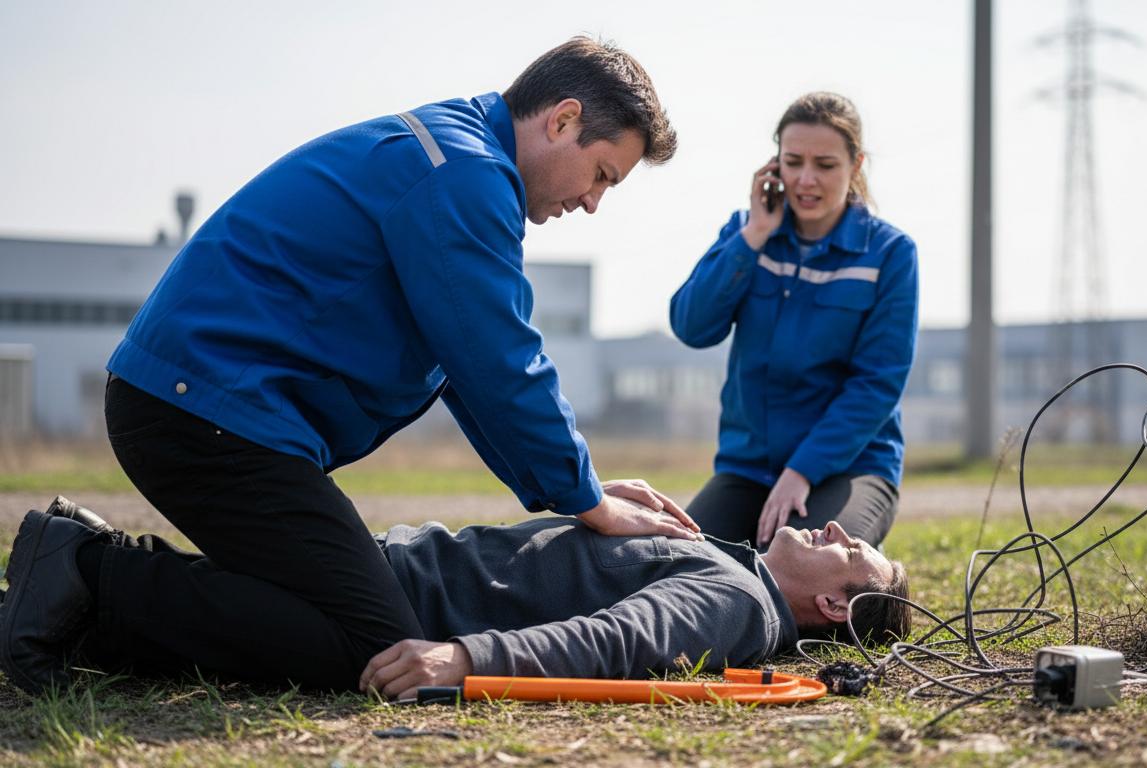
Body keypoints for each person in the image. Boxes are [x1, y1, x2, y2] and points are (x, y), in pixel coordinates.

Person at [82, 36, 700, 695]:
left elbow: (470, 367)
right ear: (564, 120)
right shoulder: (463, 174)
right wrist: (589, 499)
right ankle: (82, 578)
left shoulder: (458, 157)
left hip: (204, 410)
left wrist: (574, 490)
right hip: (201, 415)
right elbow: (502, 361)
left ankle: (86, 577)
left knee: (340, 615)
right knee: (371, 649)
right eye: (603, 174)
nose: (593, 202)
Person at [0, 499, 911, 698]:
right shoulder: (721, 562)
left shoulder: (734, 603)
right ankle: (93, 566)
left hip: (409, 582)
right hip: (399, 588)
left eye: (855, 552)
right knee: (330, 658)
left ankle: (85, 585)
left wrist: (469, 657)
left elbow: (614, 637)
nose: (837, 530)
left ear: (838, 609)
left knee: (309, 648)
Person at [670, 92, 918, 550]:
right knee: (681, 565)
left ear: (855, 164)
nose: (806, 179)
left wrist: (802, 471)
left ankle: (861, 567)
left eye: (825, 164)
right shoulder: (745, 232)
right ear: (773, 164)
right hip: (748, 469)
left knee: (803, 574)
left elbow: (877, 383)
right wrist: (754, 235)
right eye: (793, 161)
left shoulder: (890, 255)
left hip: (850, 468)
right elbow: (692, 325)